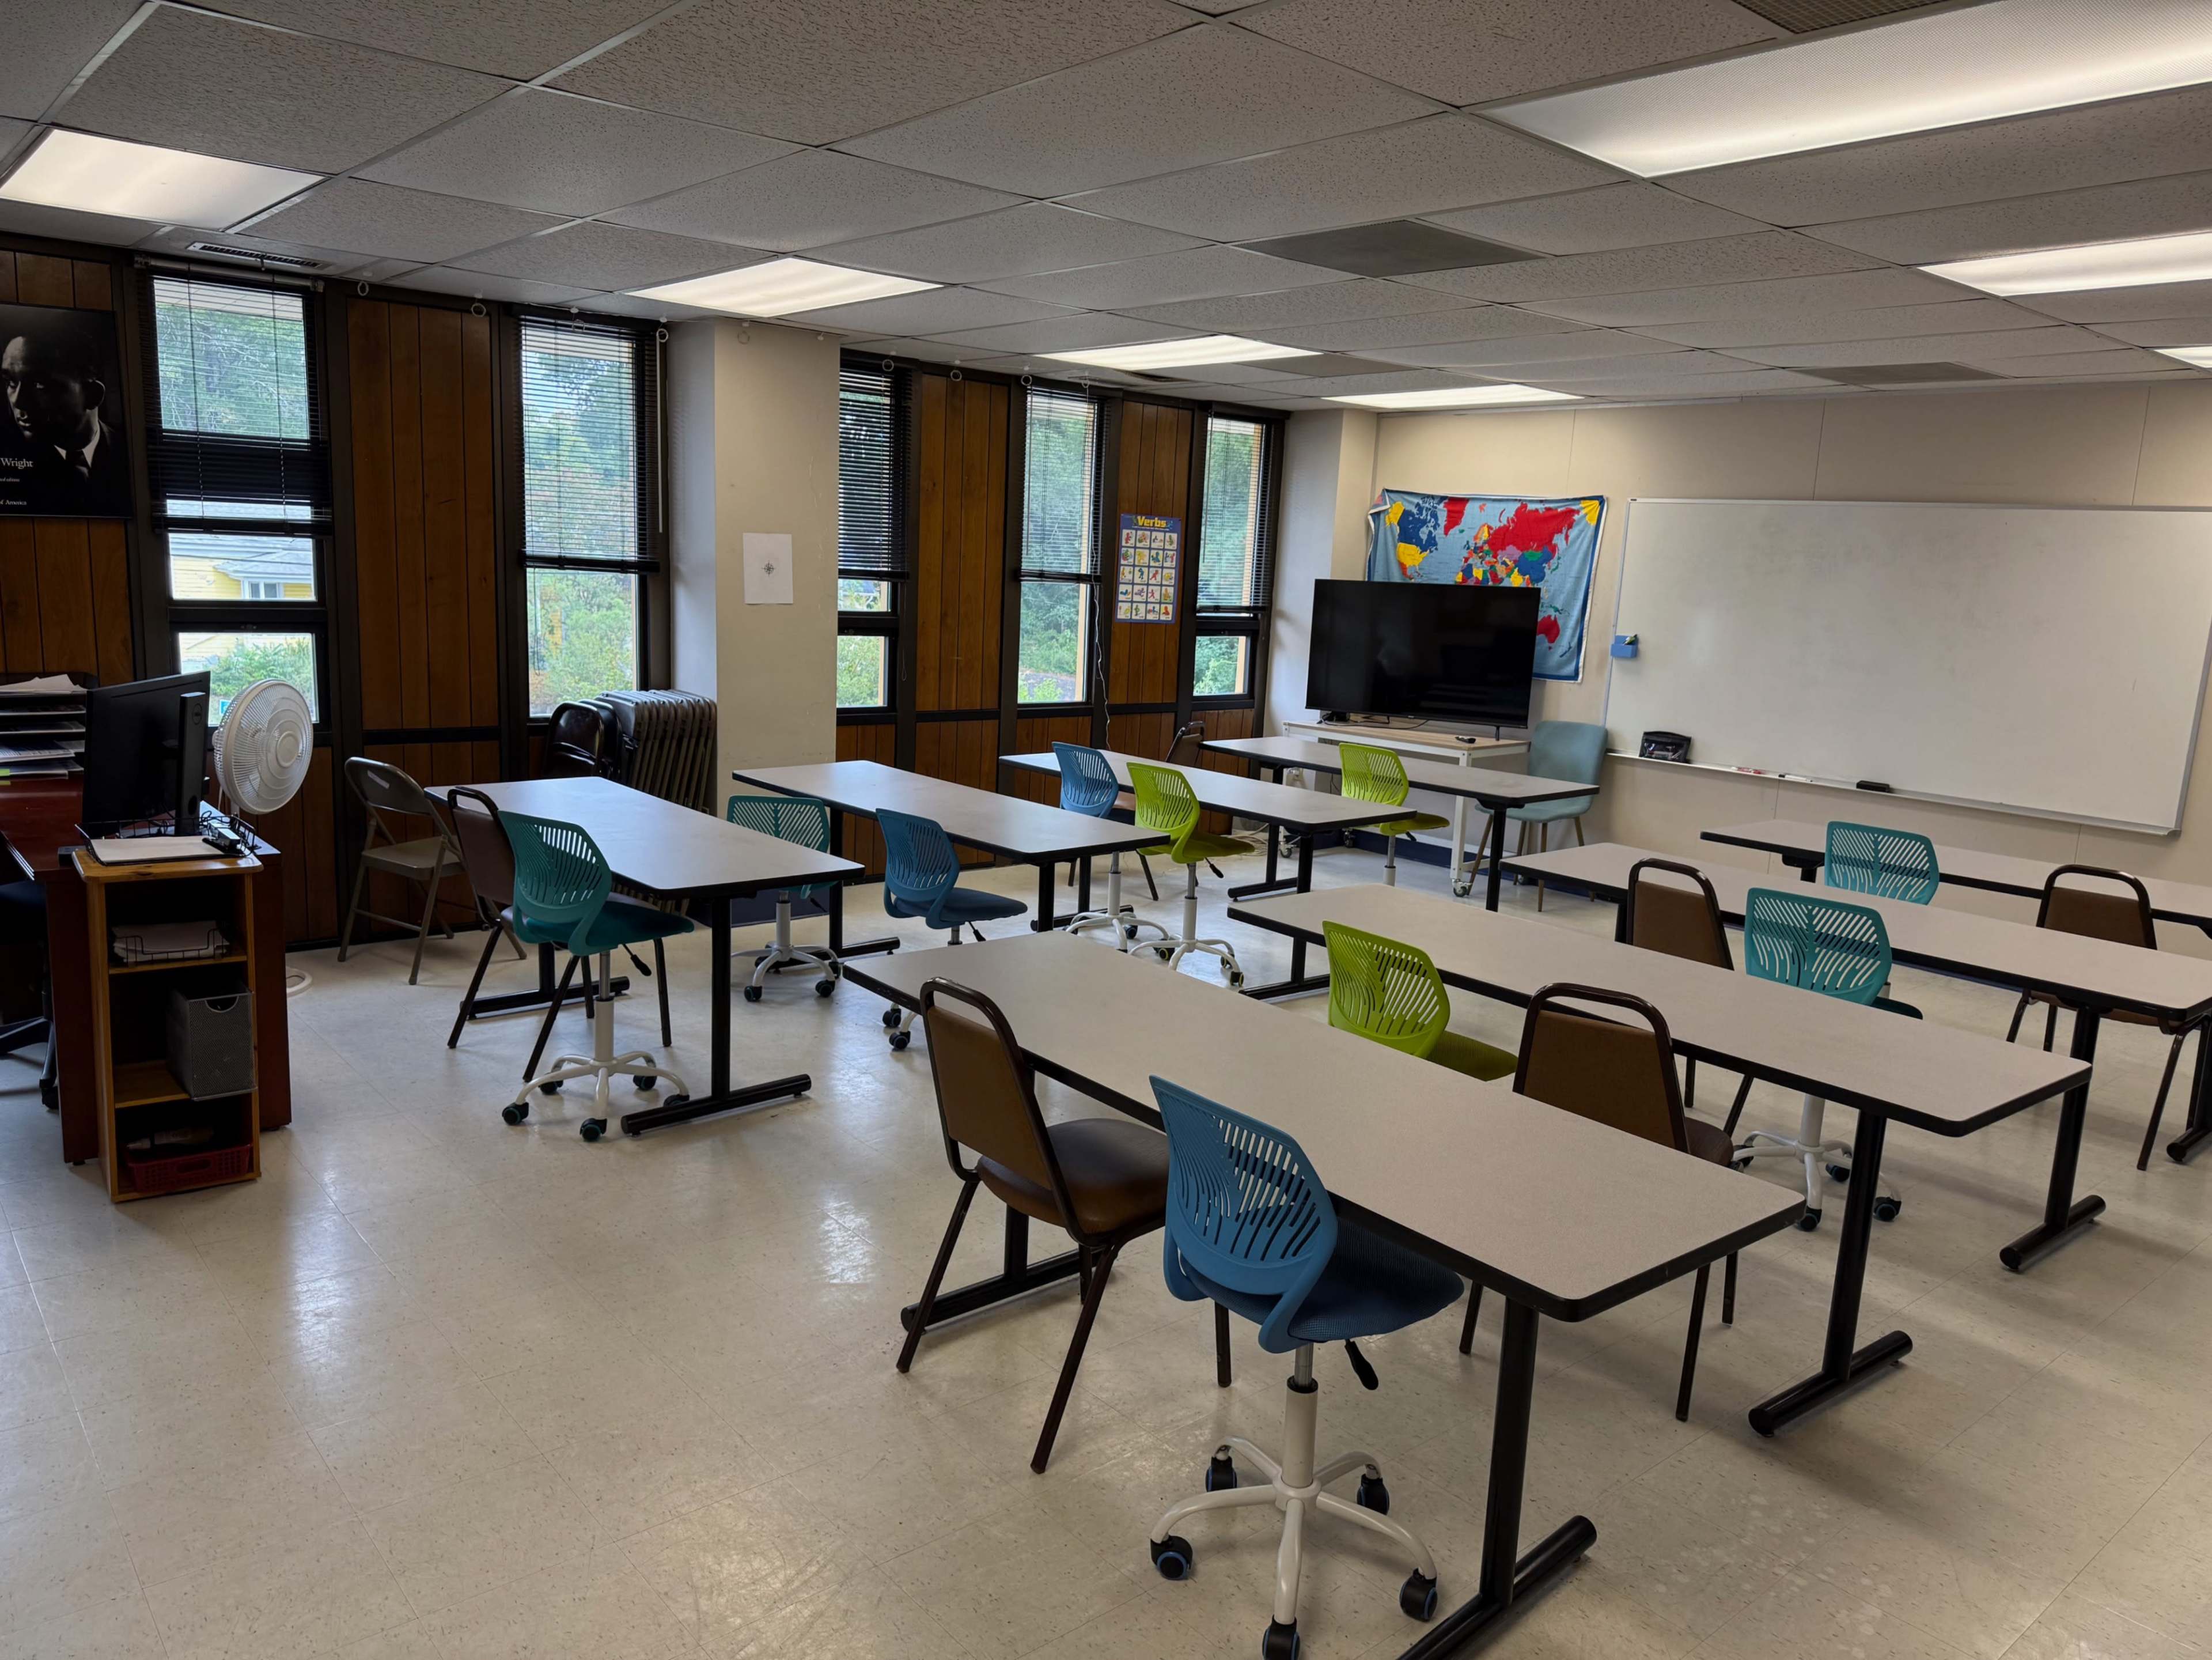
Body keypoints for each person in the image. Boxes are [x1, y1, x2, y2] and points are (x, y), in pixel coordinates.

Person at [1, 330, 127, 513]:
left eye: (39, 385)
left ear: (93, 395)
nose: (18, 401)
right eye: (11, 382)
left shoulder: (130, 453)